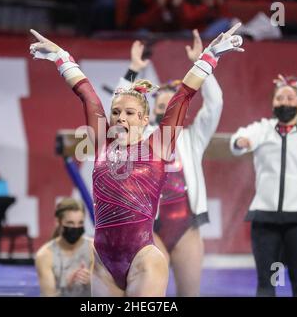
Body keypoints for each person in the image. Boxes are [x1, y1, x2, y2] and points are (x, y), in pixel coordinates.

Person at [29, 24, 243, 296]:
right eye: (116, 112)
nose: (120, 118)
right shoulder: (101, 143)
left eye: (130, 113)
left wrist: (210, 56)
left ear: (144, 120)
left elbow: (184, 94)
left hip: (143, 259)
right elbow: (86, 93)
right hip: (103, 263)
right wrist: (61, 56)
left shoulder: (159, 145)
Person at [115, 30, 223, 296]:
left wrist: (203, 62)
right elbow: (116, 110)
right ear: (153, 112)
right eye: (161, 107)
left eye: (171, 106)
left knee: (189, 293)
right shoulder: (140, 137)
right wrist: (133, 70)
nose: (166, 111)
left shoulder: (192, 138)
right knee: (151, 294)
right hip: (151, 227)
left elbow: (215, 103)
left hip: (186, 227)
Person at [230, 75, 297, 297]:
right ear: (272, 103)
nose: (284, 102)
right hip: (265, 221)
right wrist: (240, 142)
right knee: (267, 284)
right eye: (279, 98)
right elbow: (239, 138)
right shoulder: (264, 129)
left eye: (290, 98)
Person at [35, 198, 93, 297]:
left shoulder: (94, 249)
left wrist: (92, 281)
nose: (76, 227)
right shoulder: (45, 255)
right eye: (70, 223)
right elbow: (49, 295)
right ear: (58, 222)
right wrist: (67, 286)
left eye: (80, 223)